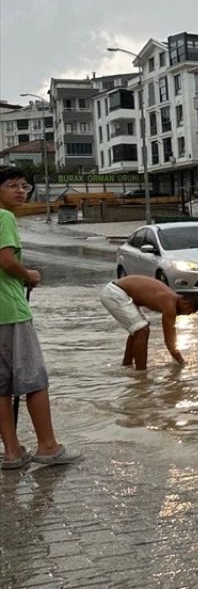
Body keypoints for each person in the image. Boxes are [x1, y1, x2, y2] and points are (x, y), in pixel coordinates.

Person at [0, 166, 81, 468]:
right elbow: (7, 260)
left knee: (2, 386)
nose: (21, 191)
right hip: (9, 310)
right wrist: (28, 275)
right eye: (12, 185)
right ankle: (47, 446)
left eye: (25, 186)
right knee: (34, 378)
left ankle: (12, 452)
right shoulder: (4, 217)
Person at [101, 276, 198, 370]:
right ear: (186, 304)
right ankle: (141, 374)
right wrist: (181, 362)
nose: (188, 315)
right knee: (142, 330)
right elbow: (169, 340)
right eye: (190, 311)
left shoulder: (171, 298)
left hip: (117, 290)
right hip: (114, 293)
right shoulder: (169, 305)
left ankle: (127, 366)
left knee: (139, 329)